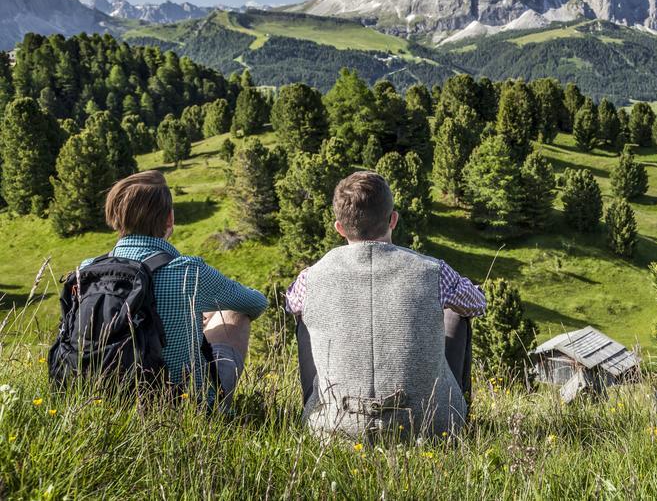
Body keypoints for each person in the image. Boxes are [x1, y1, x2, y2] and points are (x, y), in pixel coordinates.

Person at [285, 171, 486, 440]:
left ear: (339, 228)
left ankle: (320, 409)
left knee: (304, 322)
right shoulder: (433, 271)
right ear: (393, 219)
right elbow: (477, 305)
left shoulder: (311, 277)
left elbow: (290, 305)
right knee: (456, 315)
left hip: (336, 428)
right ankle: (456, 412)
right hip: (429, 426)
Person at [91, 170, 268, 405]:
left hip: (105, 402)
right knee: (234, 312)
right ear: (169, 219)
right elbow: (257, 303)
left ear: (115, 216)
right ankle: (220, 406)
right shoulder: (189, 272)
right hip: (186, 406)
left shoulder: (86, 272)